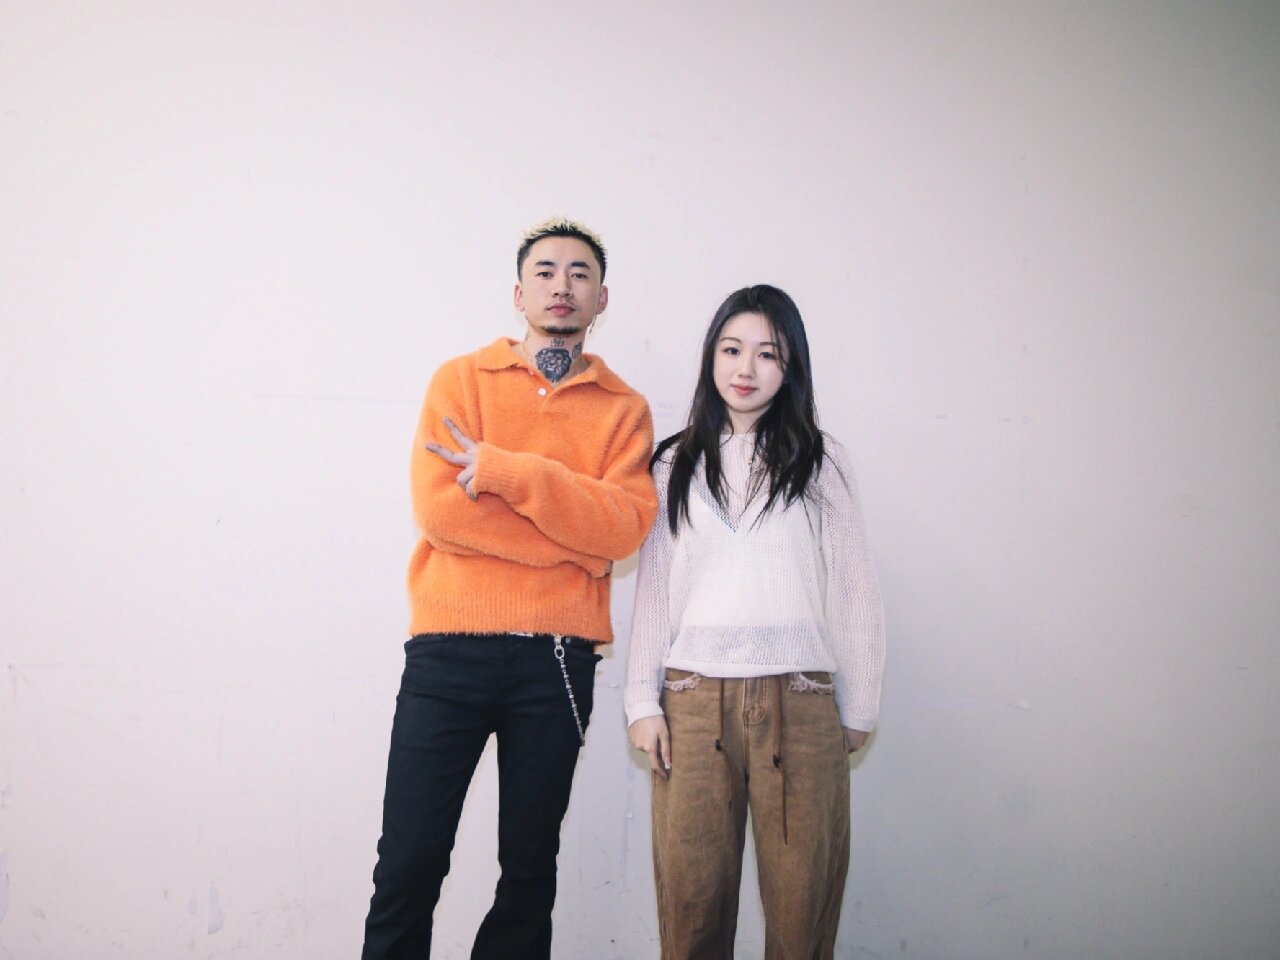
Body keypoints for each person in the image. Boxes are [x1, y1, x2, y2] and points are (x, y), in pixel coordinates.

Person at [363, 217, 658, 960]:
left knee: (528, 872)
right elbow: (441, 514)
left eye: (580, 273)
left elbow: (623, 529)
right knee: (408, 862)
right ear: (519, 293)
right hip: (447, 653)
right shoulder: (461, 381)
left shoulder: (624, 410)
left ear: (602, 299)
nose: (563, 285)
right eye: (546, 271)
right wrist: (575, 546)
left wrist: (504, 472)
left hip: (556, 661)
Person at [625, 284, 886, 959]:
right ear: (711, 357)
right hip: (690, 704)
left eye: (767, 354)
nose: (746, 368)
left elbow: (854, 587)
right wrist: (641, 702)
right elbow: (655, 591)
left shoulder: (822, 461)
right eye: (731, 349)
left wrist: (860, 702)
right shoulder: (672, 463)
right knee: (692, 910)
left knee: (802, 914)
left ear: (791, 366)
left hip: (801, 702)